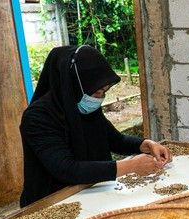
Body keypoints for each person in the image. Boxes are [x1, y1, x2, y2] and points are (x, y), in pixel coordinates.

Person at [19, 45, 171, 207]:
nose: (100, 98)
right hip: (52, 201)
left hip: (88, 191)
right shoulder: (37, 117)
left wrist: (145, 144)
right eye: (97, 92)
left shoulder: (82, 107)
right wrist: (130, 166)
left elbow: (115, 140)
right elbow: (66, 169)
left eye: (104, 92)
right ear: (74, 86)